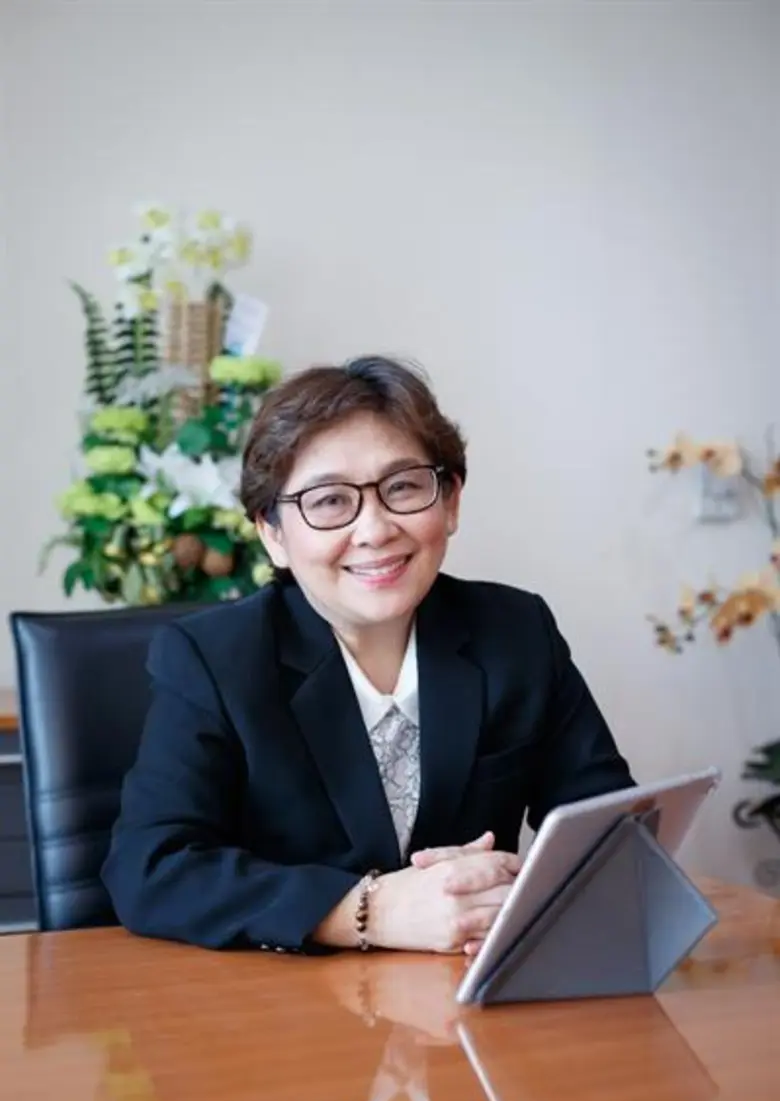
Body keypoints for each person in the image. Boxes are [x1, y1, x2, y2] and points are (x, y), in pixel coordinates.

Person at [102, 355, 634, 954]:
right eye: (330, 501)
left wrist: (519, 891)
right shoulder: (214, 659)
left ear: (451, 501)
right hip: (283, 1000)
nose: (375, 530)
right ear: (273, 533)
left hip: (470, 991)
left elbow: (612, 830)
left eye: (403, 487)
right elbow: (150, 869)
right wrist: (369, 912)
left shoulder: (516, 633)